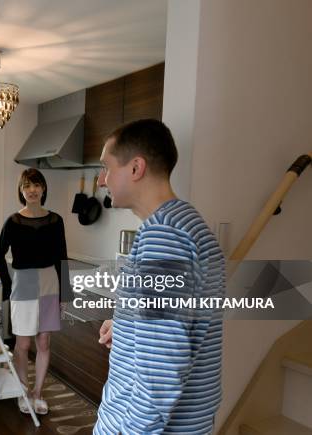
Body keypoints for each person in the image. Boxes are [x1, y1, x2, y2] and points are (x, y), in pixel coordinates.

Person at [94, 119, 225, 434]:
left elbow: (161, 370)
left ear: (136, 168)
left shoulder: (162, 238)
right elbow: (178, 327)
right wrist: (127, 326)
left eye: (107, 168)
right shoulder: (188, 224)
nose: (101, 180)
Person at [0, 168, 71, 416]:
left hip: (50, 282)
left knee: (44, 341)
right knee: (23, 343)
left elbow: (62, 258)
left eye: (36, 185)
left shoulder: (56, 221)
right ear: (21, 190)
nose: (32, 190)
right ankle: (23, 391)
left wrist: (66, 293)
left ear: (44, 189)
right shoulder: (14, 221)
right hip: (23, 283)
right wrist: (7, 286)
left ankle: (38, 394)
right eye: (27, 185)